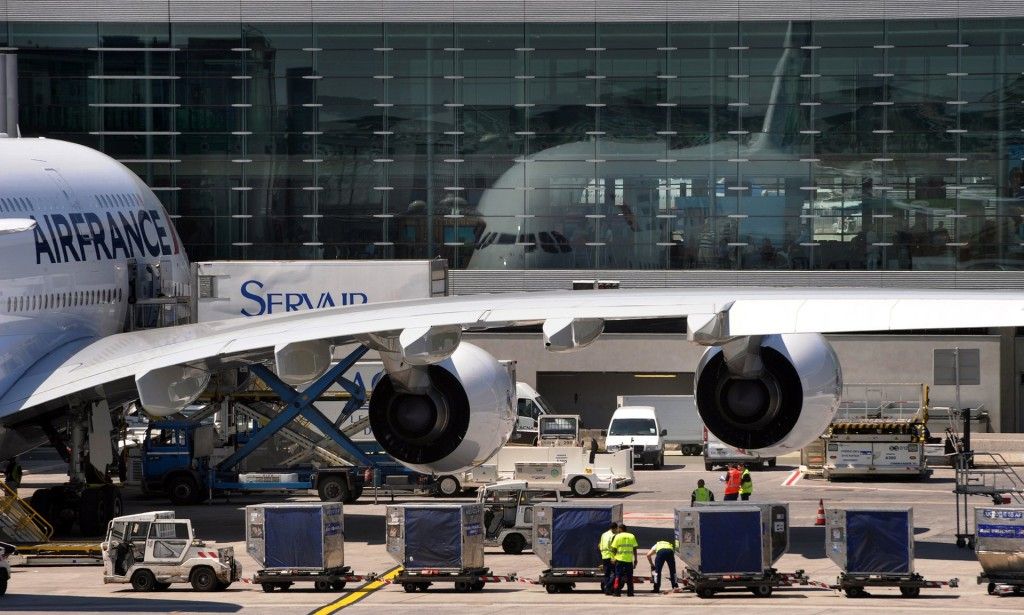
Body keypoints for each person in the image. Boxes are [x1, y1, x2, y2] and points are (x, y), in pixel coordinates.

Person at [610, 523, 638, 597]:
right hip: (629, 560)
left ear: (620, 529)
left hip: (619, 560)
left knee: (618, 576)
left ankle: (617, 592)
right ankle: (630, 593)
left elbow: (613, 549)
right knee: (629, 577)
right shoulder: (632, 536)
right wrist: (635, 559)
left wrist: (613, 558)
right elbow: (634, 549)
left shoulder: (617, 536)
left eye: (618, 529)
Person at [599, 522, 618, 595]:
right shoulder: (613, 535)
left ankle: (607, 591)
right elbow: (614, 547)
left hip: (604, 556)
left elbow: (600, 545)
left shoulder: (603, 534)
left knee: (607, 574)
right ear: (615, 528)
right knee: (615, 573)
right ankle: (608, 586)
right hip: (611, 556)